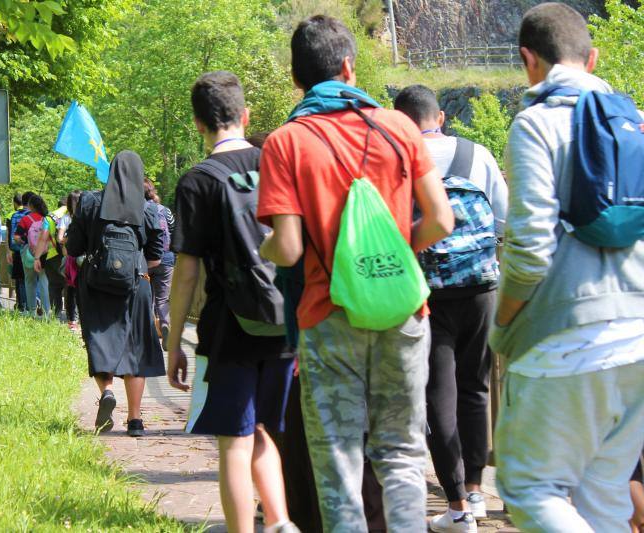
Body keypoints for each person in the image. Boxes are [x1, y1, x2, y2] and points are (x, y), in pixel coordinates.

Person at [256, 15, 453, 532]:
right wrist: (384, 254)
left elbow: (291, 248)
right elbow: (441, 219)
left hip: (329, 315)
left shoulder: (287, 142)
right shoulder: (400, 126)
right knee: (403, 452)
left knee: (339, 459)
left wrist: (268, 245)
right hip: (403, 309)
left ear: (297, 79)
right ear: (349, 66)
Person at [490, 4, 644, 531]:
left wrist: (504, 324)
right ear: (593, 57)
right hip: (640, 339)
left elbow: (531, 248)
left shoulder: (536, 124)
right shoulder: (636, 121)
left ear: (528, 60)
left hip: (569, 340)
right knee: (604, 495)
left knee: (530, 486)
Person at [167, 71, 297, 533]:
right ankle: (279, 520)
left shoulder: (198, 180)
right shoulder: (277, 163)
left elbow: (186, 273)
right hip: (286, 321)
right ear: (245, 116)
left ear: (198, 124)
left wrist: (172, 341)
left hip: (230, 327)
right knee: (263, 430)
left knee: (234, 442)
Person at [394, 84, 508, 533]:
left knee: (437, 393)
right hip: (480, 287)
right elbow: (502, 217)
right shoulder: (476, 154)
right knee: (476, 388)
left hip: (426, 292)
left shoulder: (398, 158)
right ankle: (479, 491)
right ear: (439, 117)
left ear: (402, 121)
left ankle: (457, 503)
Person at [66, 151, 166, 437]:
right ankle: (135, 420)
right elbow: (156, 256)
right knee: (136, 348)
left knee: (99, 339)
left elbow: (74, 248)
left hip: (96, 284)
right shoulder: (148, 209)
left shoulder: (89, 201)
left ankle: (107, 391)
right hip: (136, 284)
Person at [144, 178, 175, 349]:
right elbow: (173, 231)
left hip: (145, 261)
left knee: (146, 298)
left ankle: (148, 334)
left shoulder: (138, 210)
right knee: (162, 299)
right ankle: (165, 325)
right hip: (166, 259)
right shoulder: (166, 211)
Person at [14, 194, 51, 319]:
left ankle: (32, 311)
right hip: (45, 254)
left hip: (29, 254)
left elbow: (17, 237)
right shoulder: (46, 219)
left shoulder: (25, 219)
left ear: (30, 206)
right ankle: (47, 311)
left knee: (29, 282)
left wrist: (26, 241)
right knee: (44, 281)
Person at [6, 192, 31, 312]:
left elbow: (9, 235)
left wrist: (8, 251)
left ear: (15, 203)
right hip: (31, 251)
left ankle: (21, 305)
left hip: (17, 250)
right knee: (32, 278)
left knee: (19, 279)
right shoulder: (34, 215)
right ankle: (34, 303)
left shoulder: (12, 215)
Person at [60, 190, 81, 331]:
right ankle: (76, 320)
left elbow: (60, 239)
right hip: (78, 258)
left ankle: (75, 320)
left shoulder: (68, 218)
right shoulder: (70, 218)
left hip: (76, 258)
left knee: (74, 289)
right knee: (76, 288)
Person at [46, 197, 69, 319]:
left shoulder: (49, 216)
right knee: (68, 284)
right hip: (66, 255)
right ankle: (70, 314)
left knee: (54, 285)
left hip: (50, 255)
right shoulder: (70, 213)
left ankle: (56, 313)